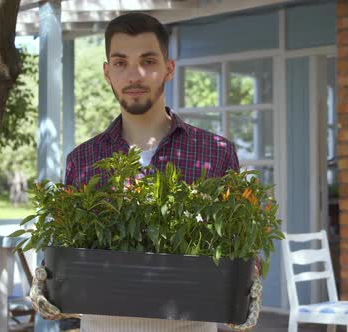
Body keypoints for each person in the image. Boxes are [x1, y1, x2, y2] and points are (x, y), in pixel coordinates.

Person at [30, 12, 262, 332]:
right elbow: (65, 253)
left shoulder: (215, 154)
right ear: (107, 73)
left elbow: (244, 252)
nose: (135, 75)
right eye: (121, 62)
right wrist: (47, 280)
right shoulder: (83, 160)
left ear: (168, 69)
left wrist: (247, 278)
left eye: (148, 61)